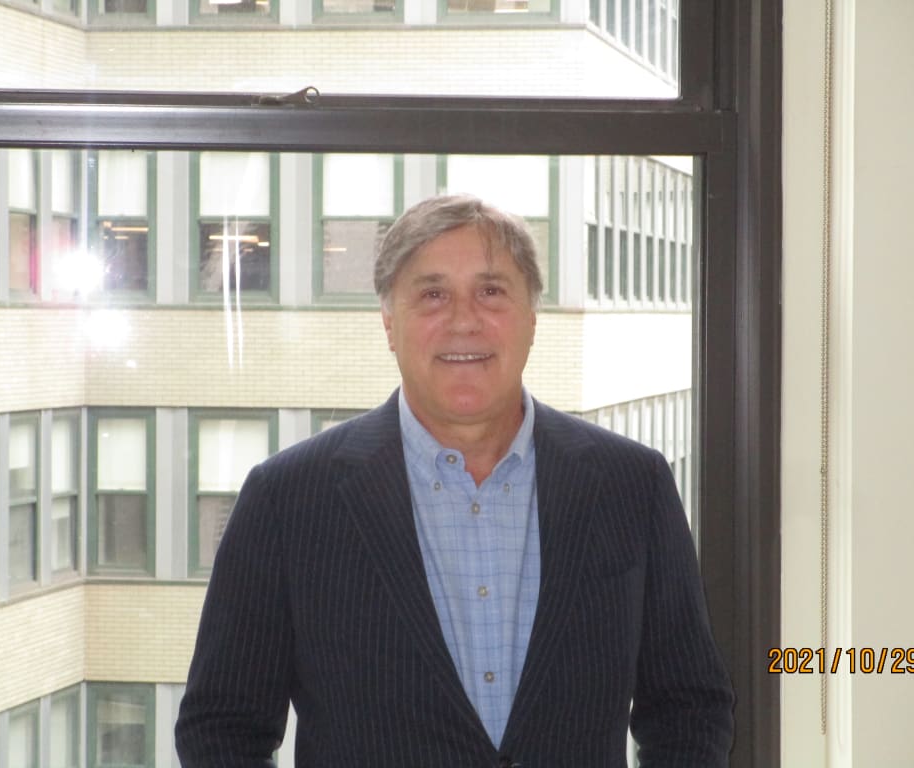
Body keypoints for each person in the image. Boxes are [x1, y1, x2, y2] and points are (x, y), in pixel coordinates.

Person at [175, 194, 734, 767]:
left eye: (491, 291)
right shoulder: (287, 500)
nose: (464, 320)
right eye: (433, 295)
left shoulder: (632, 485)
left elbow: (689, 708)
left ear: (532, 319)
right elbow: (222, 729)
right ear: (389, 323)